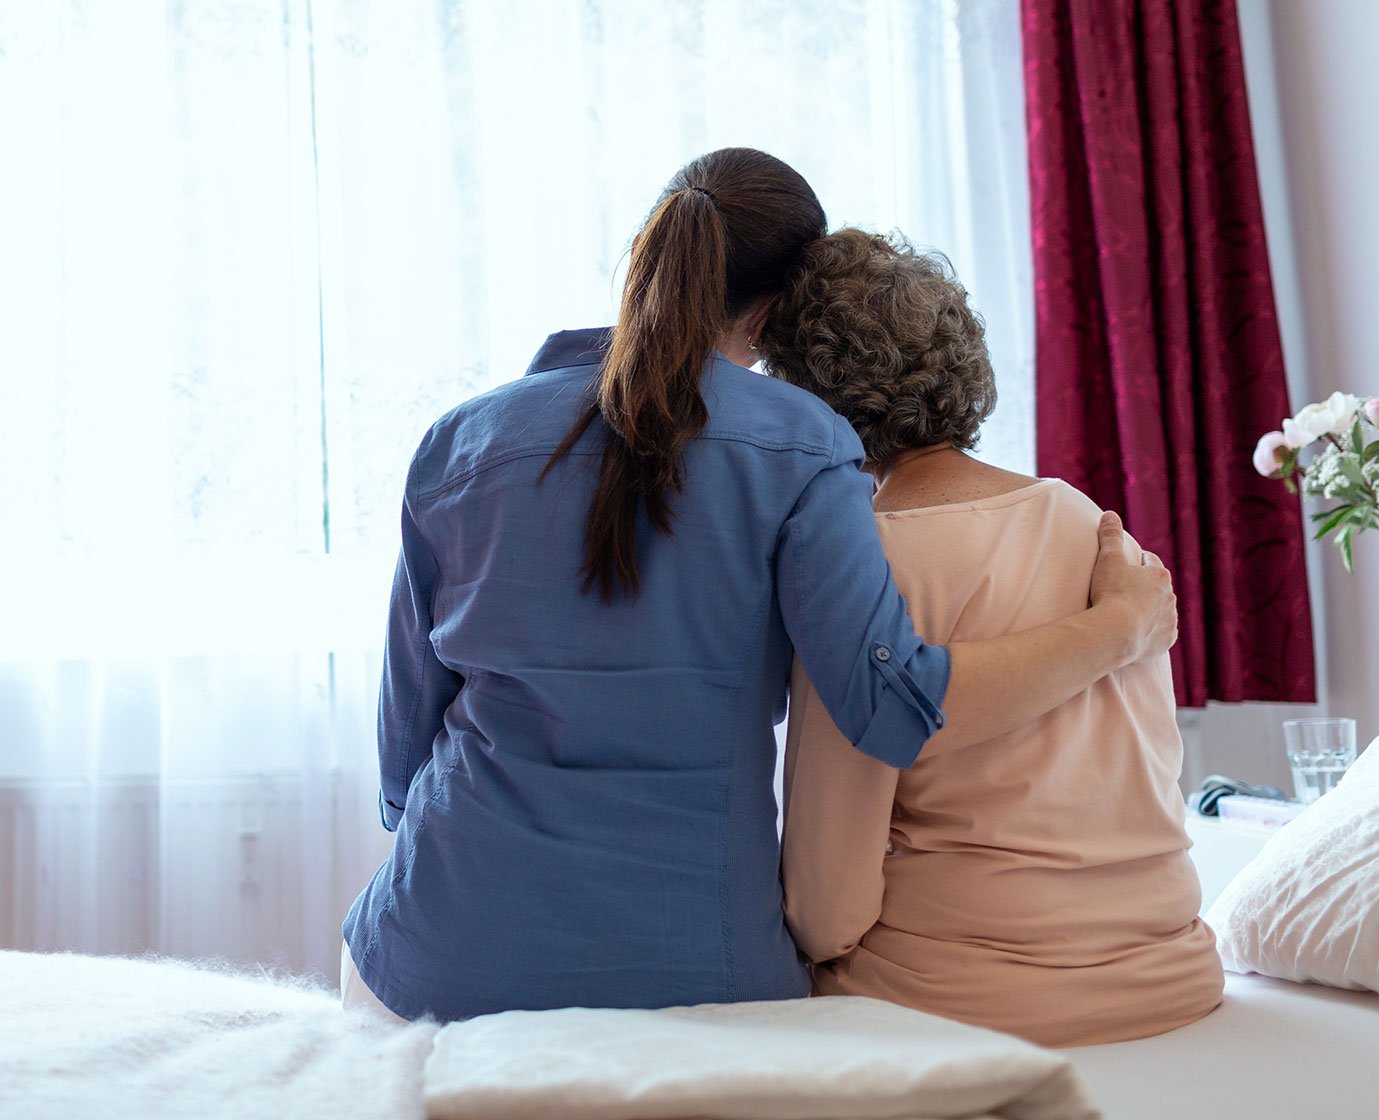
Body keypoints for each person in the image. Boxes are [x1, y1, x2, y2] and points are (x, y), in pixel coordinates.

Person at [342, 150, 1177, 1022]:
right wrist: (1118, 626)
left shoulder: (459, 441)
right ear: (776, 315)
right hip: (699, 977)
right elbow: (892, 707)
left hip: (434, 956)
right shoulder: (809, 447)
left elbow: (404, 755)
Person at [762, 229, 1223, 1047]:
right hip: (1172, 973)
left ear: (807, 399)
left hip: (969, 997)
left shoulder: (857, 568)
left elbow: (827, 910)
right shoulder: (1094, 524)